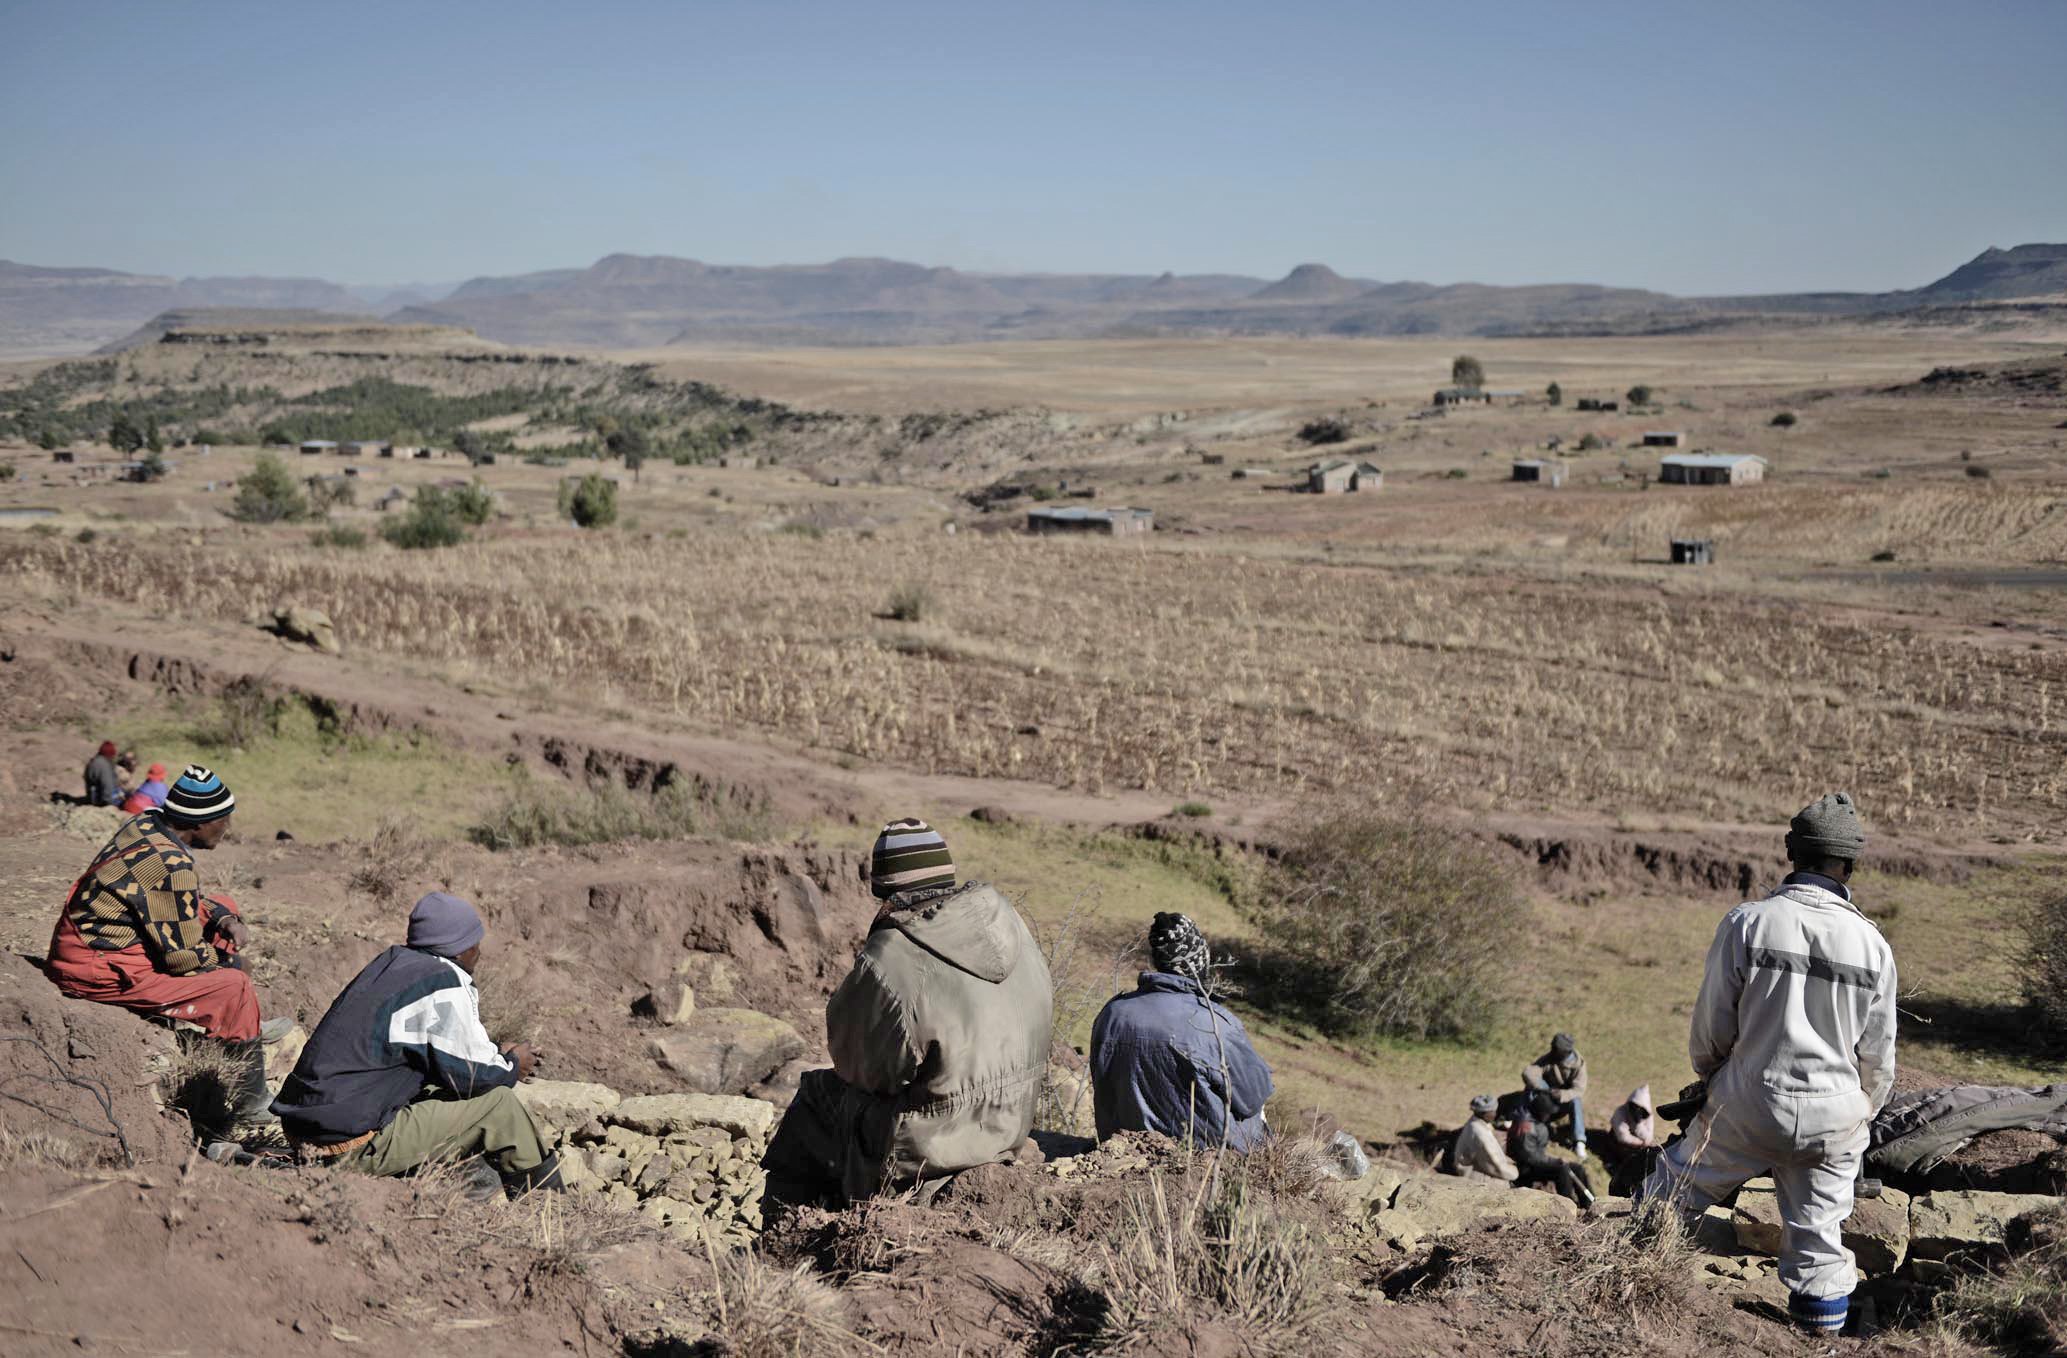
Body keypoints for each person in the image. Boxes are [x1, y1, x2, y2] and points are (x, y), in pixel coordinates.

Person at [1641, 792, 1898, 1337]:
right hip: (1837, 1113)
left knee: (1672, 1194)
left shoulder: (1748, 923)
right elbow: (1878, 1056)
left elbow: (1712, 1025)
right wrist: (1859, 1113)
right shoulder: (1873, 945)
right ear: (1849, 862)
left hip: (1750, 1100)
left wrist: (1712, 1081)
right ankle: (1817, 1341)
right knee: (1820, 1242)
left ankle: (1633, 1303)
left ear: (1792, 853)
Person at [763, 818, 1052, 1205]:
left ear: (886, 889)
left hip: (935, 1145)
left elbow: (860, 1069)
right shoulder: (1009, 921)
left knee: (817, 1098)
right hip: (1013, 1125)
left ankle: (787, 1239)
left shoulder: (890, 959)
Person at [271, 891, 561, 1197]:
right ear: (461, 948)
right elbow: (475, 1076)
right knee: (500, 1107)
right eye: (475, 943)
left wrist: (498, 1054)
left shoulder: (393, 964)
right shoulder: (444, 980)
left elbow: (446, 1057)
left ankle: (467, 1188)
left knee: (442, 1092)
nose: (479, 952)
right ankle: (550, 1213)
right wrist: (513, 1064)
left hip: (304, 1131)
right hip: (345, 1146)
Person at [47, 765, 284, 1128]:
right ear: (199, 823)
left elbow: (173, 902)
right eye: (223, 820)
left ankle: (244, 1022)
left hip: (91, 943)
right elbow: (184, 960)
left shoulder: (148, 824)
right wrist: (231, 966)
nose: (227, 828)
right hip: (95, 968)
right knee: (234, 985)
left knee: (224, 906)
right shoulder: (172, 865)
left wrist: (221, 917)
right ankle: (251, 1100)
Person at [1089, 912, 1274, 1150]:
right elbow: (1252, 1097)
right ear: (1199, 963)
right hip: (1199, 1156)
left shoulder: (1112, 1013)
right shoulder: (1214, 1023)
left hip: (1120, 1148)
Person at [1508, 1091, 1595, 1206]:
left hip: (1537, 1162)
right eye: (1547, 1113)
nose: (1549, 1116)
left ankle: (1589, 1203)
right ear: (1540, 1111)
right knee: (1561, 1169)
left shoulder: (1536, 1121)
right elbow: (1529, 1157)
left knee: (1577, 1168)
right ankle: (1567, 1203)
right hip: (1526, 1168)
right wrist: (1554, 1161)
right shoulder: (1525, 1127)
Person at [1522, 1032, 1590, 1158]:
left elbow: (1579, 1090)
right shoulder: (1550, 1058)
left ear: (1564, 1052)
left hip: (1562, 1102)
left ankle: (1579, 1142)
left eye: (1555, 1048)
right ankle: (1523, 1118)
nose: (1551, 1050)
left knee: (1576, 1101)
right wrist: (1544, 1089)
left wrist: (1562, 1094)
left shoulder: (1578, 1065)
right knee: (1530, 1087)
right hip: (1545, 1097)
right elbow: (1529, 1072)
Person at [1448, 1093, 1519, 1182]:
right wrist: (1515, 1172)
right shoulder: (1479, 1133)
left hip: (1474, 1164)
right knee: (1505, 1183)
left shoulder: (1475, 1121)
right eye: (1493, 1112)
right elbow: (1494, 1165)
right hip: (1471, 1172)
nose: (1495, 1114)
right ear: (1485, 1114)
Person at [1610, 1086, 1656, 1151]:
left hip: (1639, 1143)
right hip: (1620, 1142)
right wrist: (1640, 1143)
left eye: (1640, 1109)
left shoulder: (1648, 1116)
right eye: (1635, 1107)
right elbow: (1623, 1137)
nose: (1637, 1110)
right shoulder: (1620, 1112)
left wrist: (1638, 1125)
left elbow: (1649, 1137)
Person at [82, 740, 127, 807]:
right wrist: (111, 803)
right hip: (101, 800)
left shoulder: (96, 761)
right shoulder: (103, 765)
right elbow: (107, 786)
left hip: (94, 796)